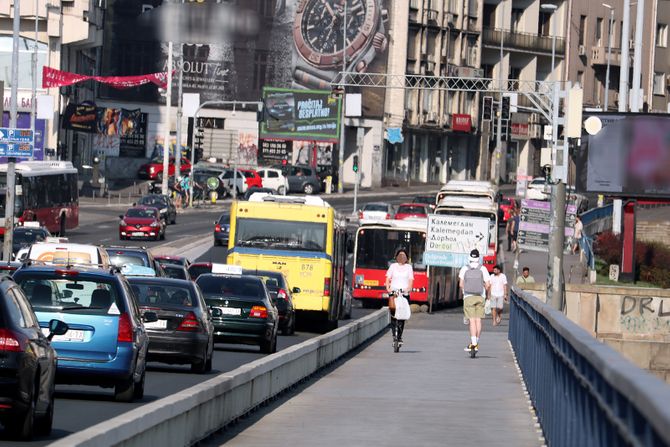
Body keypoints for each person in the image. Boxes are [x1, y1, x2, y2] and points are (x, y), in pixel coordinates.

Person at [458, 249, 490, 352]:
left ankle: (473, 343)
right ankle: (475, 342)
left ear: (470, 257)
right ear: (478, 258)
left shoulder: (464, 268)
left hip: (468, 297)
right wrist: (484, 289)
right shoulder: (483, 269)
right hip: (480, 296)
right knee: (478, 320)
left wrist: (465, 291)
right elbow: (488, 285)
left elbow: (461, 284)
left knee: (472, 320)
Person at [385, 248, 414, 347]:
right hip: (393, 293)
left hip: (404, 294)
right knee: (393, 314)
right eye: (400, 255)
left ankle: (400, 336)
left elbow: (410, 282)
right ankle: (394, 335)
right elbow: (388, 278)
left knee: (402, 316)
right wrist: (388, 288)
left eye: (404, 256)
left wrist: (407, 289)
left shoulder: (409, 268)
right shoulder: (393, 266)